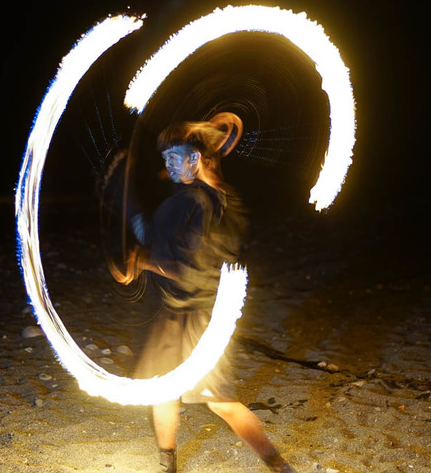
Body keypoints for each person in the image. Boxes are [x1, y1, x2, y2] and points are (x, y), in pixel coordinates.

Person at [111, 113, 294, 473]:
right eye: (164, 158)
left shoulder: (193, 202)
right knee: (164, 391)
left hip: (197, 315)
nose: (167, 165)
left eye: (173, 157)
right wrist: (127, 199)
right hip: (182, 310)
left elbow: (185, 267)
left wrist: (142, 260)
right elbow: (158, 237)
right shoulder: (222, 199)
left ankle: (278, 465)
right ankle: (172, 467)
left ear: (196, 158)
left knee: (217, 399)